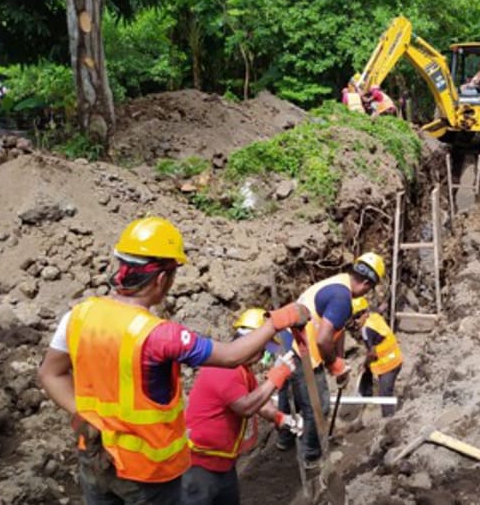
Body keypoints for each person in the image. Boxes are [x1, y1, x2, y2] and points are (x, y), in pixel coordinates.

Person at [38, 216, 310, 505]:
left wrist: (83, 414)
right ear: (161, 279)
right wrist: (280, 320)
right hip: (146, 472)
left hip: (94, 458)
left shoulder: (78, 316)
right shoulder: (159, 335)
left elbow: (50, 374)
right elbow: (231, 356)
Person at [182, 309, 304, 505]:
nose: (263, 355)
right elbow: (246, 407)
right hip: (200, 463)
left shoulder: (242, 371)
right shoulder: (225, 369)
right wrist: (277, 376)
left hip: (224, 462)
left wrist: (282, 418)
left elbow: (260, 404)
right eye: (263, 348)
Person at [275, 252, 385, 467]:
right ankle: (311, 456)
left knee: (287, 394)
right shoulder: (342, 299)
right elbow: (324, 339)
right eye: (370, 289)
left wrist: (341, 359)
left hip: (286, 339)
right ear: (366, 283)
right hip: (302, 350)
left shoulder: (338, 282)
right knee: (318, 405)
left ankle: (284, 438)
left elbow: (337, 329)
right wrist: (335, 366)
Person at [350, 298, 402, 417]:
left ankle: (389, 419)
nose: (356, 321)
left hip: (389, 364)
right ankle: (366, 395)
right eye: (353, 317)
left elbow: (372, 353)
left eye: (357, 317)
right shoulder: (374, 317)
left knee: (385, 395)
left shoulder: (366, 329)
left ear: (365, 313)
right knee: (368, 371)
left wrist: (365, 364)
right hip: (394, 357)